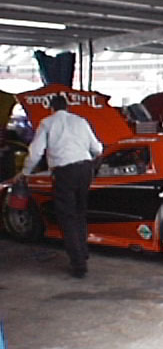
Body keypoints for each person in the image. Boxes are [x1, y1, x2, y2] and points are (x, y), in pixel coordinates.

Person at [21, 95, 103, 279]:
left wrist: (26, 172)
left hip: (65, 172)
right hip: (85, 169)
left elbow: (35, 152)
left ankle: (78, 264)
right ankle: (83, 251)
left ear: (51, 108)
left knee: (67, 216)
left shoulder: (47, 123)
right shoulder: (80, 121)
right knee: (80, 212)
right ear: (67, 107)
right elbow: (97, 148)